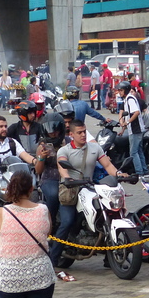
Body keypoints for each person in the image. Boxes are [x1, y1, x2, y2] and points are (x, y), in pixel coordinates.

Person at [51, 120, 126, 281]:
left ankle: (109, 257)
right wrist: (67, 178)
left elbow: (108, 165)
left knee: (106, 212)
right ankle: (53, 260)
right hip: (70, 190)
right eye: (79, 132)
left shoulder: (95, 148)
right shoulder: (64, 151)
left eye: (84, 131)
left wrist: (119, 175)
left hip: (90, 188)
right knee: (67, 221)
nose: (83, 134)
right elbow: (62, 168)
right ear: (71, 134)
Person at [117, 81, 148, 176]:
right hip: (134, 129)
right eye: (119, 90)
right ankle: (144, 171)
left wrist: (128, 122)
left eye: (121, 90)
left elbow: (136, 112)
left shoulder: (130, 99)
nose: (119, 92)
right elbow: (127, 115)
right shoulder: (126, 100)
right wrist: (123, 129)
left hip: (136, 129)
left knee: (133, 152)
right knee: (139, 151)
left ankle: (139, 173)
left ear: (126, 90)